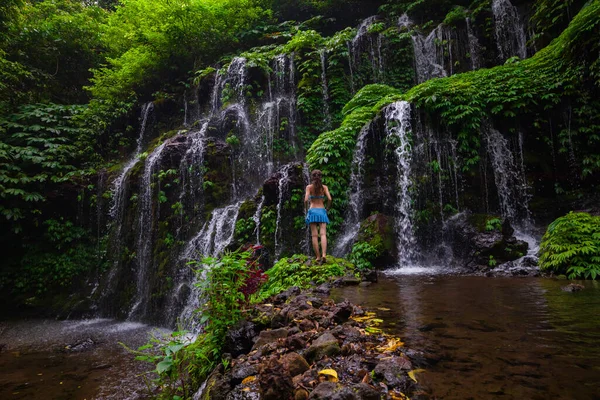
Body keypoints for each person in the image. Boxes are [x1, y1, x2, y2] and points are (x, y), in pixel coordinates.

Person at [304, 169, 332, 263]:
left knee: (314, 235)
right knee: (323, 234)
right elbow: (330, 199)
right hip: (321, 211)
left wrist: (306, 209)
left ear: (312, 177)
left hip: (312, 211)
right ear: (321, 177)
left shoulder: (309, 187)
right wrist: (327, 209)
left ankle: (318, 257)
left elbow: (305, 200)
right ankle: (324, 254)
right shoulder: (324, 187)